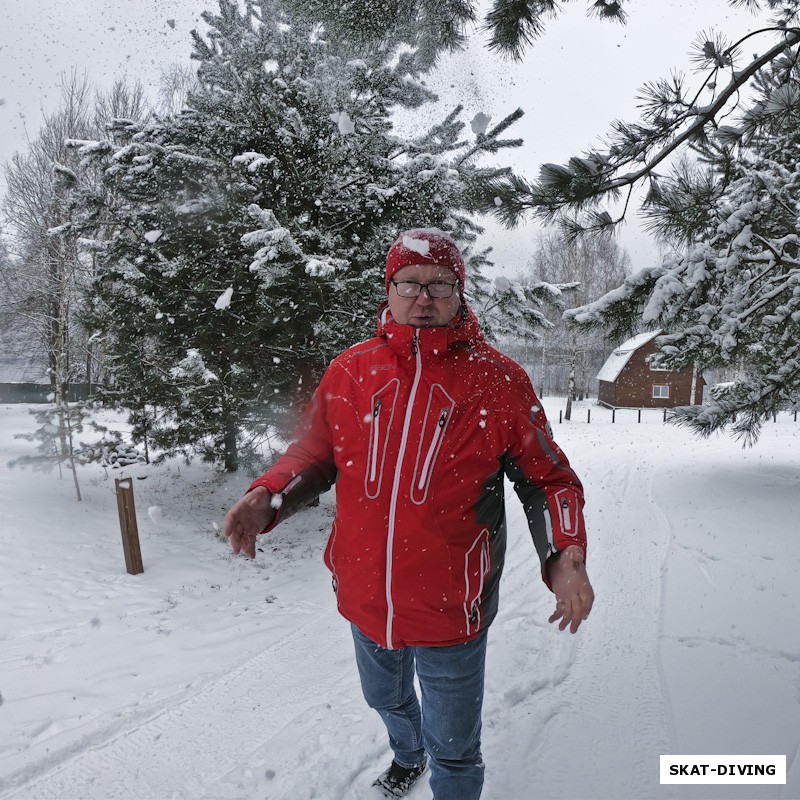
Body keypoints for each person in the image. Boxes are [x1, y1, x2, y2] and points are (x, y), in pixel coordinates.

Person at [224, 228, 594, 800]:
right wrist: (267, 495)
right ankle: (405, 754)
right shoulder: (350, 372)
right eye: (410, 284)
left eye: (440, 284)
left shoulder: (498, 381)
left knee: (456, 750)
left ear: (459, 292)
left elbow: (548, 480)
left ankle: (441, 770)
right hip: (365, 595)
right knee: (386, 699)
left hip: (452, 605)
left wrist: (564, 552)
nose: (424, 297)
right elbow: (314, 455)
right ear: (389, 290)